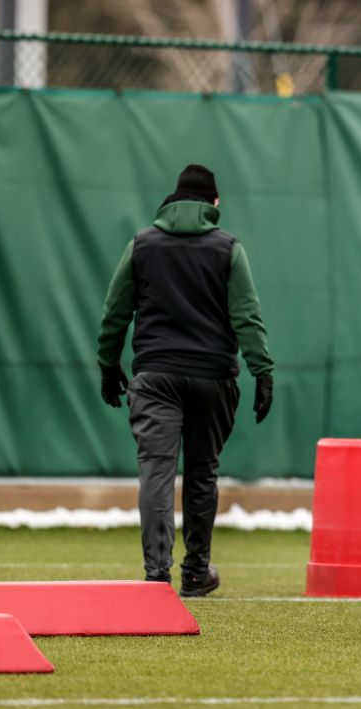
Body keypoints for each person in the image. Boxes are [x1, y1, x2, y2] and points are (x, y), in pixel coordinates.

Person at [97, 164, 274, 597]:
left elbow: (115, 312)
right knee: (202, 473)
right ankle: (196, 572)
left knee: (156, 472)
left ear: (172, 201)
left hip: (155, 374)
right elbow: (246, 317)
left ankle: (157, 576)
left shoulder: (141, 245)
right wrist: (262, 371)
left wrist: (108, 364)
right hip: (213, 378)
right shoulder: (228, 249)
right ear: (214, 204)